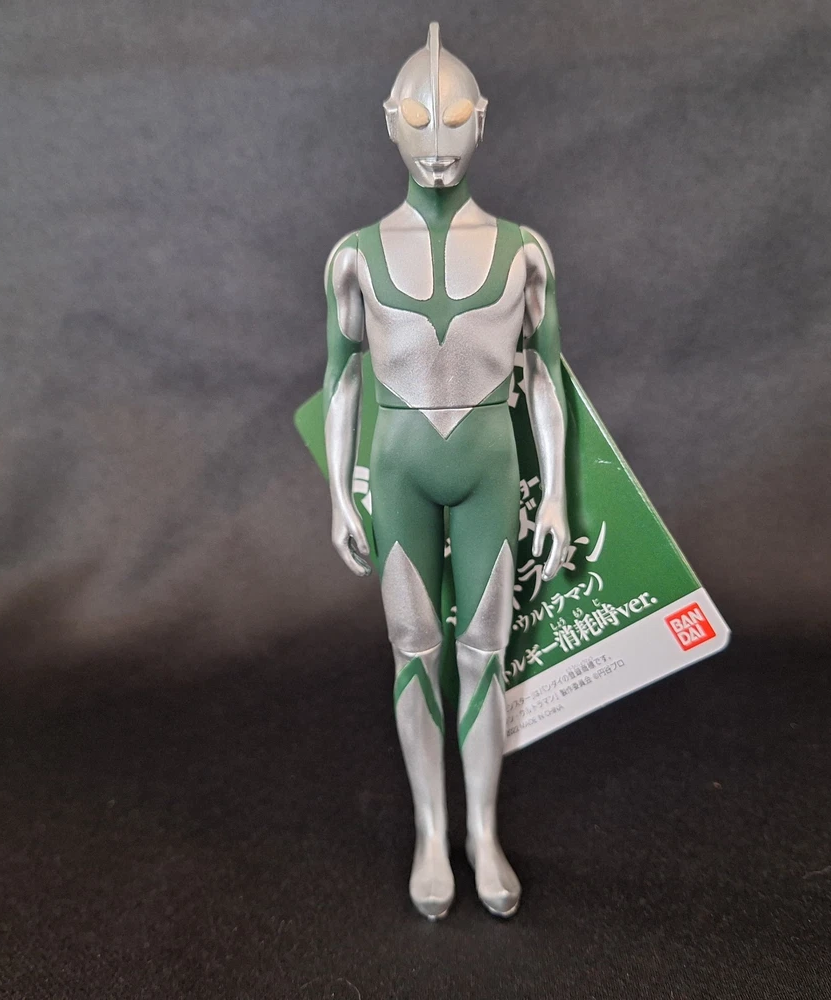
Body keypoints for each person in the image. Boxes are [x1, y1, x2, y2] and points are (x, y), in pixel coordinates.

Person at [322, 23, 569, 919]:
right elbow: (341, 378)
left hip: (489, 470)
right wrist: (337, 493)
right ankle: (433, 832)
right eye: (420, 119)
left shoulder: (525, 251)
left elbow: (544, 376)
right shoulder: (353, 256)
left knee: (485, 655)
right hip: (398, 474)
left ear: (483, 121)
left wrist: (558, 497)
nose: (437, 141)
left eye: (455, 118)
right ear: (390, 120)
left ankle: (481, 833)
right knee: (414, 652)